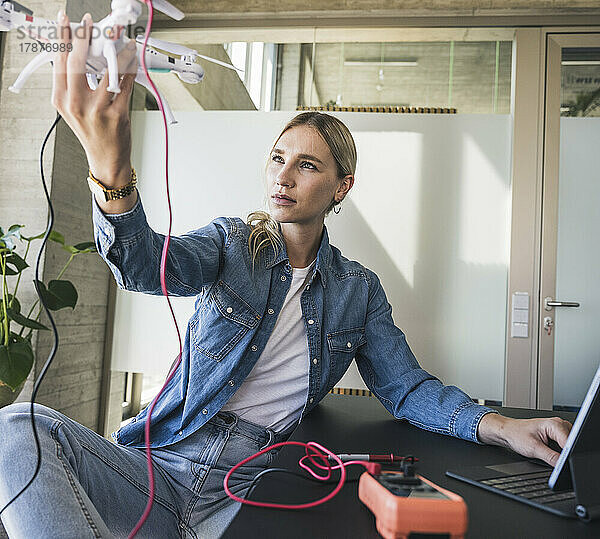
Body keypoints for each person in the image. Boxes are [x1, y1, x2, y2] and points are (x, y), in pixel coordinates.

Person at [0, 12, 572, 539]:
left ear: (340, 187)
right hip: (160, 467)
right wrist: (112, 174)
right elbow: (146, 265)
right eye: (278, 158)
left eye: (307, 164)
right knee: (16, 427)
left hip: (251, 485)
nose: (284, 175)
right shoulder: (231, 244)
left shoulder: (359, 292)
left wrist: (500, 427)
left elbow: (407, 388)